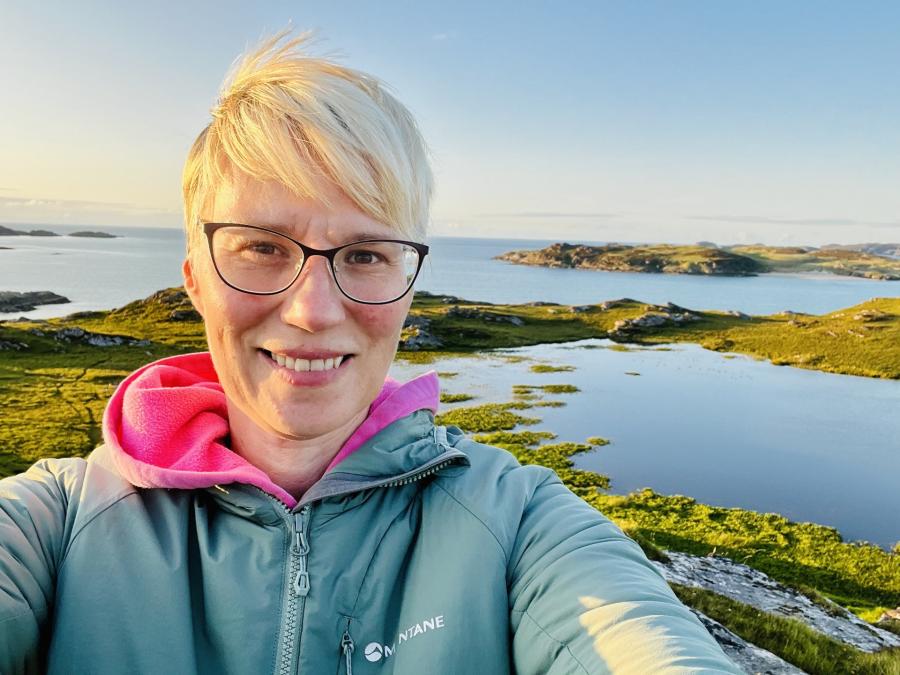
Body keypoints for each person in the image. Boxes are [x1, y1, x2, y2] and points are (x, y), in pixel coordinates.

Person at [0, 32, 740, 674]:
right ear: (195, 278)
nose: (313, 310)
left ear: (409, 287)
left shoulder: (517, 522)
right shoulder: (57, 522)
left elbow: (633, 636)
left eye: (364, 254)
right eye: (260, 247)